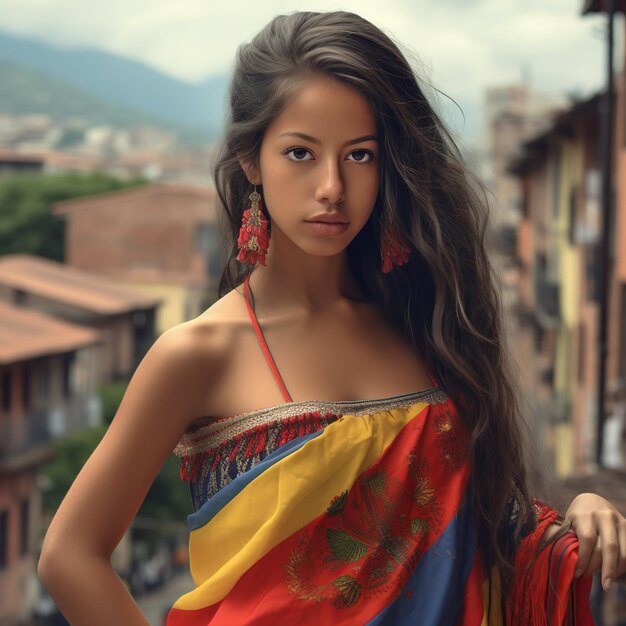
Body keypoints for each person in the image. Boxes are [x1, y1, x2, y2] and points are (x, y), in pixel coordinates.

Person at [38, 10, 626, 626]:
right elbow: (70, 555)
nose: (331, 187)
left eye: (361, 155)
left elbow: (472, 530)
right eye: (300, 152)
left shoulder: (425, 325)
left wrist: (572, 523)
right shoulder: (199, 352)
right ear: (250, 161)